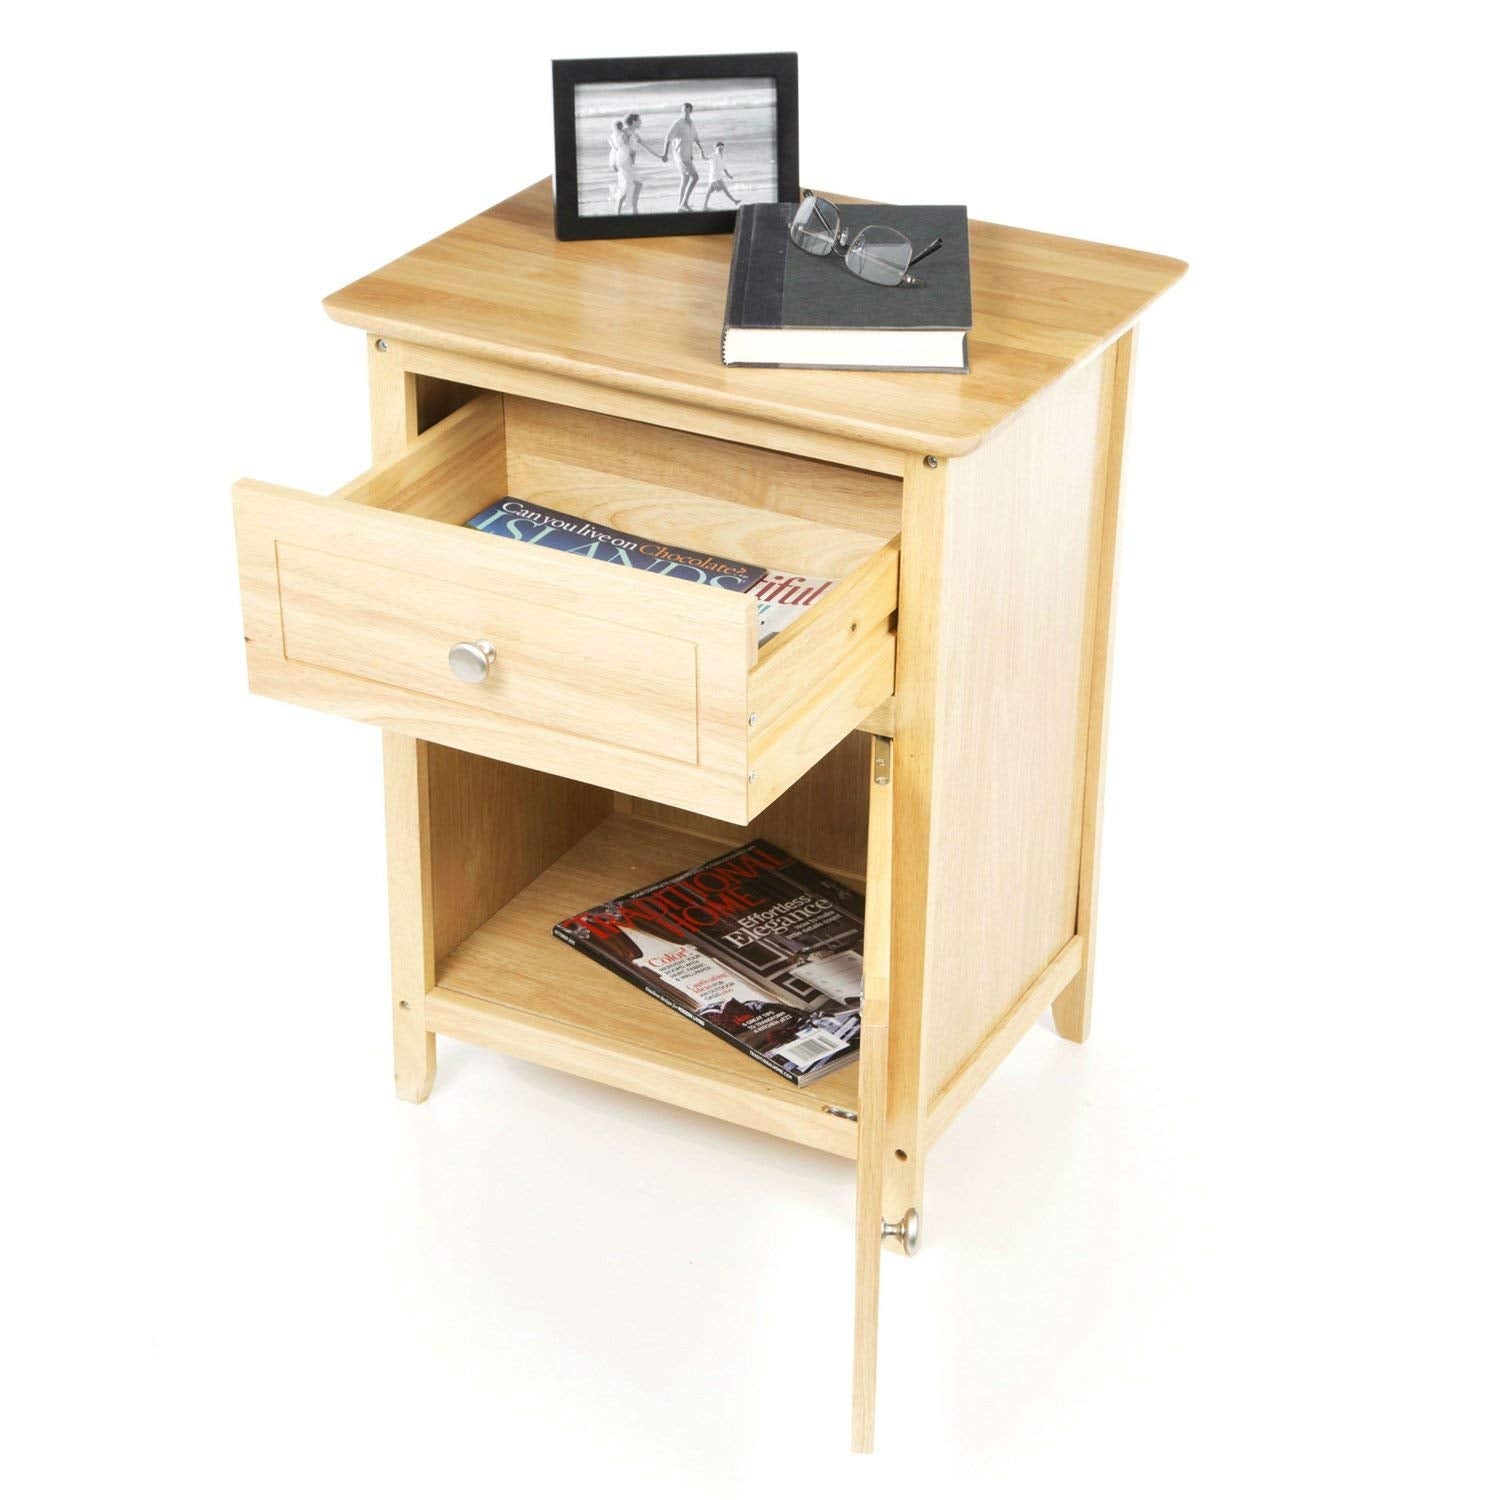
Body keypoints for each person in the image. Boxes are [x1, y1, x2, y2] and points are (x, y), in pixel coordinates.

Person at [660, 102, 705, 210]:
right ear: (682, 111)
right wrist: (665, 153)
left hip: (687, 155)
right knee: (695, 177)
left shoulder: (691, 123)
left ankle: (680, 205)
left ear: (690, 111)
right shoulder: (678, 123)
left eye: (687, 111)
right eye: (683, 110)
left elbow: (695, 138)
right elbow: (668, 138)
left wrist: (700, 151)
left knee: (685, 178)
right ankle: (684, 203)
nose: (685, 113)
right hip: (681, 156)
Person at [701, 141, 740, 207]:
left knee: (712, 191)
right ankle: (734, 201)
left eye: (722, 149)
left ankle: (705, 204)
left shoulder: (722, 157)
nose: (721, 150)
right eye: (719, 149)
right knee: (723, 190)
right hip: (715, 177)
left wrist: (729, 176)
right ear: (716, 149)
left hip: (718, 177)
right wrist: (701, 152)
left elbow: (724, 169)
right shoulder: (713, 155)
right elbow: (704, 158)